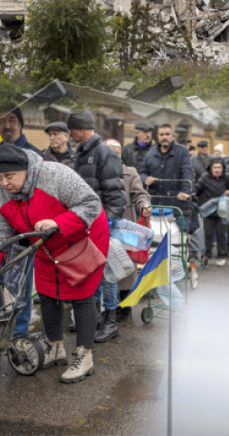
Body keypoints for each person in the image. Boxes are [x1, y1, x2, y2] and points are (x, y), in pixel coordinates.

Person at [0, 144, 108, 384]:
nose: (4, 183)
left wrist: (58, 222)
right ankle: (55, 348)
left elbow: (91, 204)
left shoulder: (54, 175)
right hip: (45, 243)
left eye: (9, 176)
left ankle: (85, 356)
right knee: (46, 291)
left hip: (83, 237)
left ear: (26, 169)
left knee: (80, 294)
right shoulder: (4, 192)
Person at [0, 106, 42, 337]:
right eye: (1, 121)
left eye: (12, 120)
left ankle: (19, 334)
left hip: (22, 234)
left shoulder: (33, 155)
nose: (7, 125)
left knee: (19, 287)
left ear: (21, 123)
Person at [66, 111, 126, 343]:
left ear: (81, 129)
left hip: (102, 225)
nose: (70, 135)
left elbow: (116, 193)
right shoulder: (80, 154)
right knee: (93, 272)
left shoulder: (104, 153)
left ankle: (111, 321)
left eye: (72, 130)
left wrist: (108, 223)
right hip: (86, 225)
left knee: (107, 274)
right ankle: (98, 317)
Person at [105, 138, 150, 322]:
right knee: (108, 266)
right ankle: (109, 307)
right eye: (109, 152)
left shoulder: (130, 172)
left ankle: (125, 306)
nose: (113, 155)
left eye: (116, 152)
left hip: (125, 226)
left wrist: (145, 204)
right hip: (105, 226)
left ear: (121, 153)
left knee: (126, 265)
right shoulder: (100, 172)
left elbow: (140, 194)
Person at [140, 123, 195, 232]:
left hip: (178, 205)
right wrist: (145, 179)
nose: (164, 137)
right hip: (156, 204)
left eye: (167, 134)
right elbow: (142, 172)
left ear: (173, 136)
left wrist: (185, 191)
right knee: (155, 240)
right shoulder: (150, 153)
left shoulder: (182, 151)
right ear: (157, 136)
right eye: (161, 134)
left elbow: (187, 172)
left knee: (180, 240)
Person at [195, 158, 229, 266]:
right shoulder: (205, 178)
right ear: (210, 168)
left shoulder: (228, 177)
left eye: (219, 167)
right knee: (208, 234)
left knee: (221, 234)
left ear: (223, 168)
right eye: (215, 167)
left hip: (223, 210)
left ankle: (221, 256)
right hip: (208, 210)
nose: (217, 170)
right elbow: (197, 189)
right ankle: (207, 256)